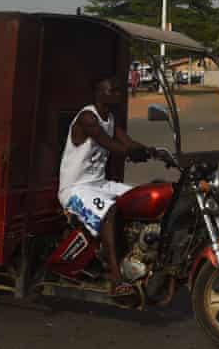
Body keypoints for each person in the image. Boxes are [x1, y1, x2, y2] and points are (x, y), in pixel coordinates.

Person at [58, 77, 152, 296]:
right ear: (101, 94)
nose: (120, 94)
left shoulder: (110, 118)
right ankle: (115, 279)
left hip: (99, 184)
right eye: (115, 90)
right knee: (109, 211)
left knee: (141, 197)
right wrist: (131, 153)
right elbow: (109, 144)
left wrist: (154, 152)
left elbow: (126, 142)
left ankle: (139, 257)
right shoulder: (87, 118)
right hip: (75, 189)